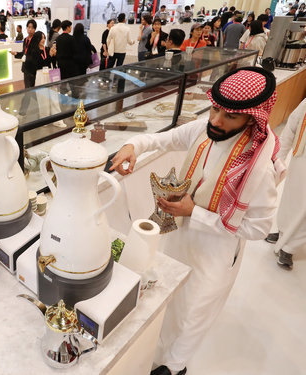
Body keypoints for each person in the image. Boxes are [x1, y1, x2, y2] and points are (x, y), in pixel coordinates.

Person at [111, 67, 280, 375]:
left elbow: (259, 228)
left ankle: (174, 368)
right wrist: (133, 147)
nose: (216, 120)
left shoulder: (259, 170)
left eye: (230, 116)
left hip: (214, 254)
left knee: (192, 314)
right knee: (166, 301)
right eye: (215, 109)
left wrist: (195, 214)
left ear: (251, 119)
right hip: (176, 237)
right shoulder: (202, 131)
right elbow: (163, 140)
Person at [265, 97, 306, 269]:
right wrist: (278, 157)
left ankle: (289, 248)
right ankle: (282, 231)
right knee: (291, 198)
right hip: (301, 160)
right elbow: (292, 127)